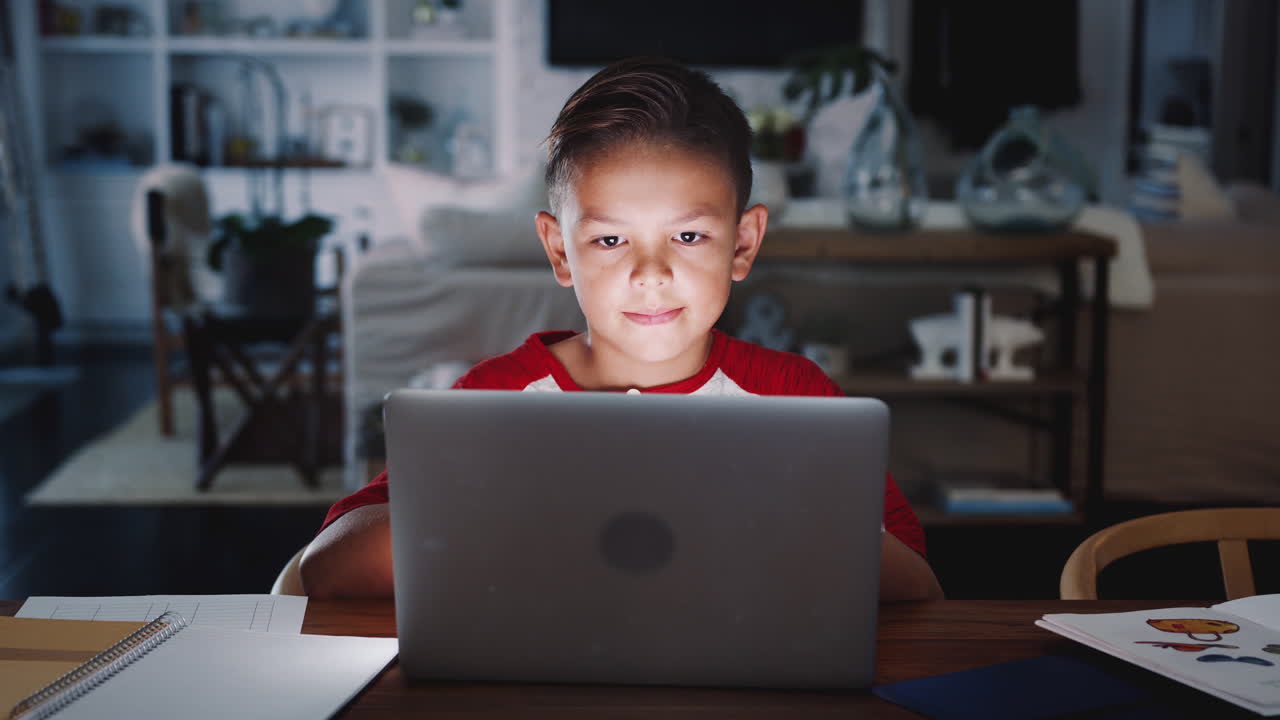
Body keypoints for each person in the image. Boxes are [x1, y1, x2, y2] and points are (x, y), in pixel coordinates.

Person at [301, 57, 944, 603]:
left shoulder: (795, 397)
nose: (651, 272)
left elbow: (919, 587)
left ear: (743, 244)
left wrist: (771, 519)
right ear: (559, 252)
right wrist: (503, 504)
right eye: (610, 239)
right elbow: (325, 568)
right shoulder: (493, 399)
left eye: (688, 236)